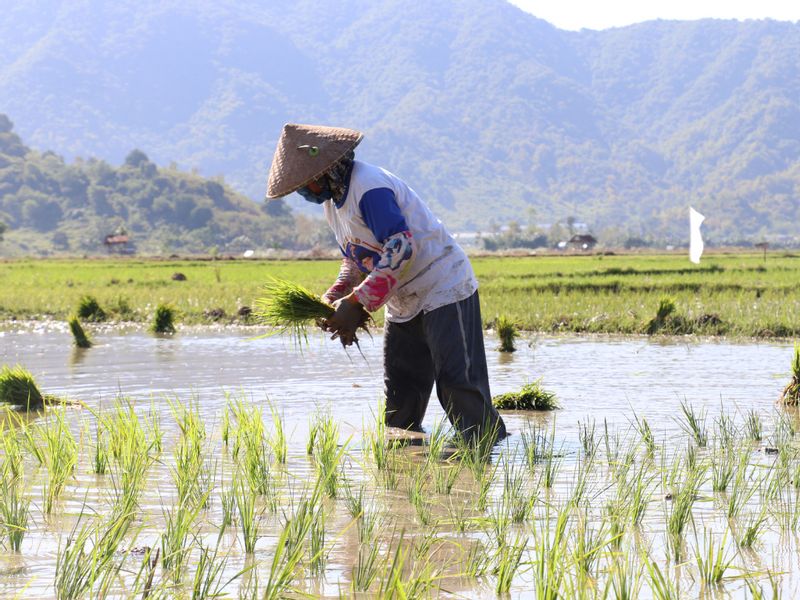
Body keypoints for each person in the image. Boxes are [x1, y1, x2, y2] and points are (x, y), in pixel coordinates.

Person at [266, 123, 506, 445]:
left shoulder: (369, 187)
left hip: (440, 284)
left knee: (456, 382)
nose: (303, 192)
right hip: (402, 296)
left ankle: (489, 451)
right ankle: (404, 465)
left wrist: (357, 303)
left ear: (325, 170)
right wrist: (337, 294)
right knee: (401, 391)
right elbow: (356, 258)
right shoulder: (332, 204)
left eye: (304, 184)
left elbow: (400, 247)